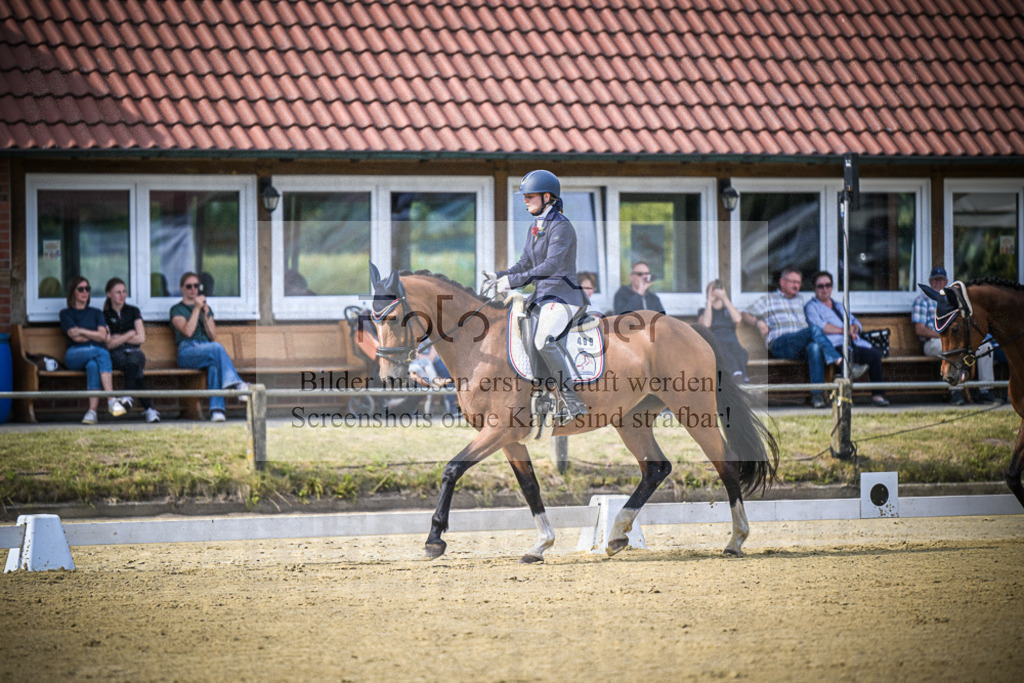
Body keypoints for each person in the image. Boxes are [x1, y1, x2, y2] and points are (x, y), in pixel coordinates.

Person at [483, 169, 588, 422]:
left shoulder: (561, 227)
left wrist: (514, 281)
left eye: (529, 196)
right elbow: (525, 263)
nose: (525, 200)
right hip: (543, 298)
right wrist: (499, 276)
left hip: (564, 297)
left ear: (547, 197)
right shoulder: (536, 227)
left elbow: (550, 266)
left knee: (543, 340)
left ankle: (571, 402)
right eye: (524, 196)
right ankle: (538, 393)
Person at [741, 267, 855, 409]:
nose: (796, 285)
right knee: (814, 330)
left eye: (799, 282)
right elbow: (745, 314)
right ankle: (839, 361)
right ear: (782, 282)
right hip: (780, 344)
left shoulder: (800, 300)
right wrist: (759, 323)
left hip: (800, 345)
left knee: (814, 348)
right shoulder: (768, 299)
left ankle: (817, 397)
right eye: (793, 282)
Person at [912, 266, 996, 404]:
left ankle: (985, 390)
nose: (938, 283)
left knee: (986, 347)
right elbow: (920, 330)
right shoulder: (922, 300)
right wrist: (945, 336)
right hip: (932, 342)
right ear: (930, 282)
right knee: (953, 349)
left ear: (946, 282)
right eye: (935, 280)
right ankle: (955, 392)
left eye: (941, 280)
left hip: (955, 338)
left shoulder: (953, 301)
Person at [170, 271, 248, 422]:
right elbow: (188, 332)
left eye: (196, 286)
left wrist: (205, 313)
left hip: (207, 349)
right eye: (189, 286)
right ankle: (236, 383)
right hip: (187, 351)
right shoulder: (176, 310)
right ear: (182, 288)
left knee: (214, 366)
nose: (193, 289)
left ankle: (217, 411)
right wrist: (196, 309)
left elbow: (212, 335)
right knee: (216, 347)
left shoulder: (205, 308)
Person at [805, 270, 888, 407]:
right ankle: (843, 397)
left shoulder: (839, 305)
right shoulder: (811, 307)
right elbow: (820, 326)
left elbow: (856, 322)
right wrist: (844, 331)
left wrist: (854, 328)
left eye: (828, 285)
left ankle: (877, 395)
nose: (825, 289)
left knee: (874, 354)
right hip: (833, 344)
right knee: (845, 356)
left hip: (854, 342)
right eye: (820, 286)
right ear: (815, 288)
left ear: (832, 287)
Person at [59, 276, 127, 424]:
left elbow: (102, 336)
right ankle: (111, 399)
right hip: (74, 354)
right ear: (73, 292)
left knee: (93, 366)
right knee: (102, 352)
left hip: (94, 355)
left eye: (87, 289)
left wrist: (81, 330)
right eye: (81, 289)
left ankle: (92, 412)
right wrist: (94, 335)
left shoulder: (96, 313)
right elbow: (75, 337)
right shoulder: (66, 313)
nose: (85, 292)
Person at [103, 278, 160, 422]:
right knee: (136, 370)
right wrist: (129, 334)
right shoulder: (105, 315)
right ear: (109, 294)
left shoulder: (133, 311)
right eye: (118, 292)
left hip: (134, 352)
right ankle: (148, 409)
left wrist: (119, 337)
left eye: (124, 292)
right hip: (117, 355)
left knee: (134, 361)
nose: (122, 295)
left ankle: (127, 396)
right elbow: (109, 344)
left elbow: (141, 338)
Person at [696, 279, 749, 382]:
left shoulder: (728, 309)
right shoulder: (703, 311)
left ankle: (740, 376)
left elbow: (738, 319)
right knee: (723, 351)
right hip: (716, 341)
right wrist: (709, 301)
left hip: (732, 341)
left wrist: (724, 298)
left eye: (718, 289)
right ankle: (739, 377)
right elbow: (706, 324)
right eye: (713, 289)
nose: (716, 292)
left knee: (741, 352)